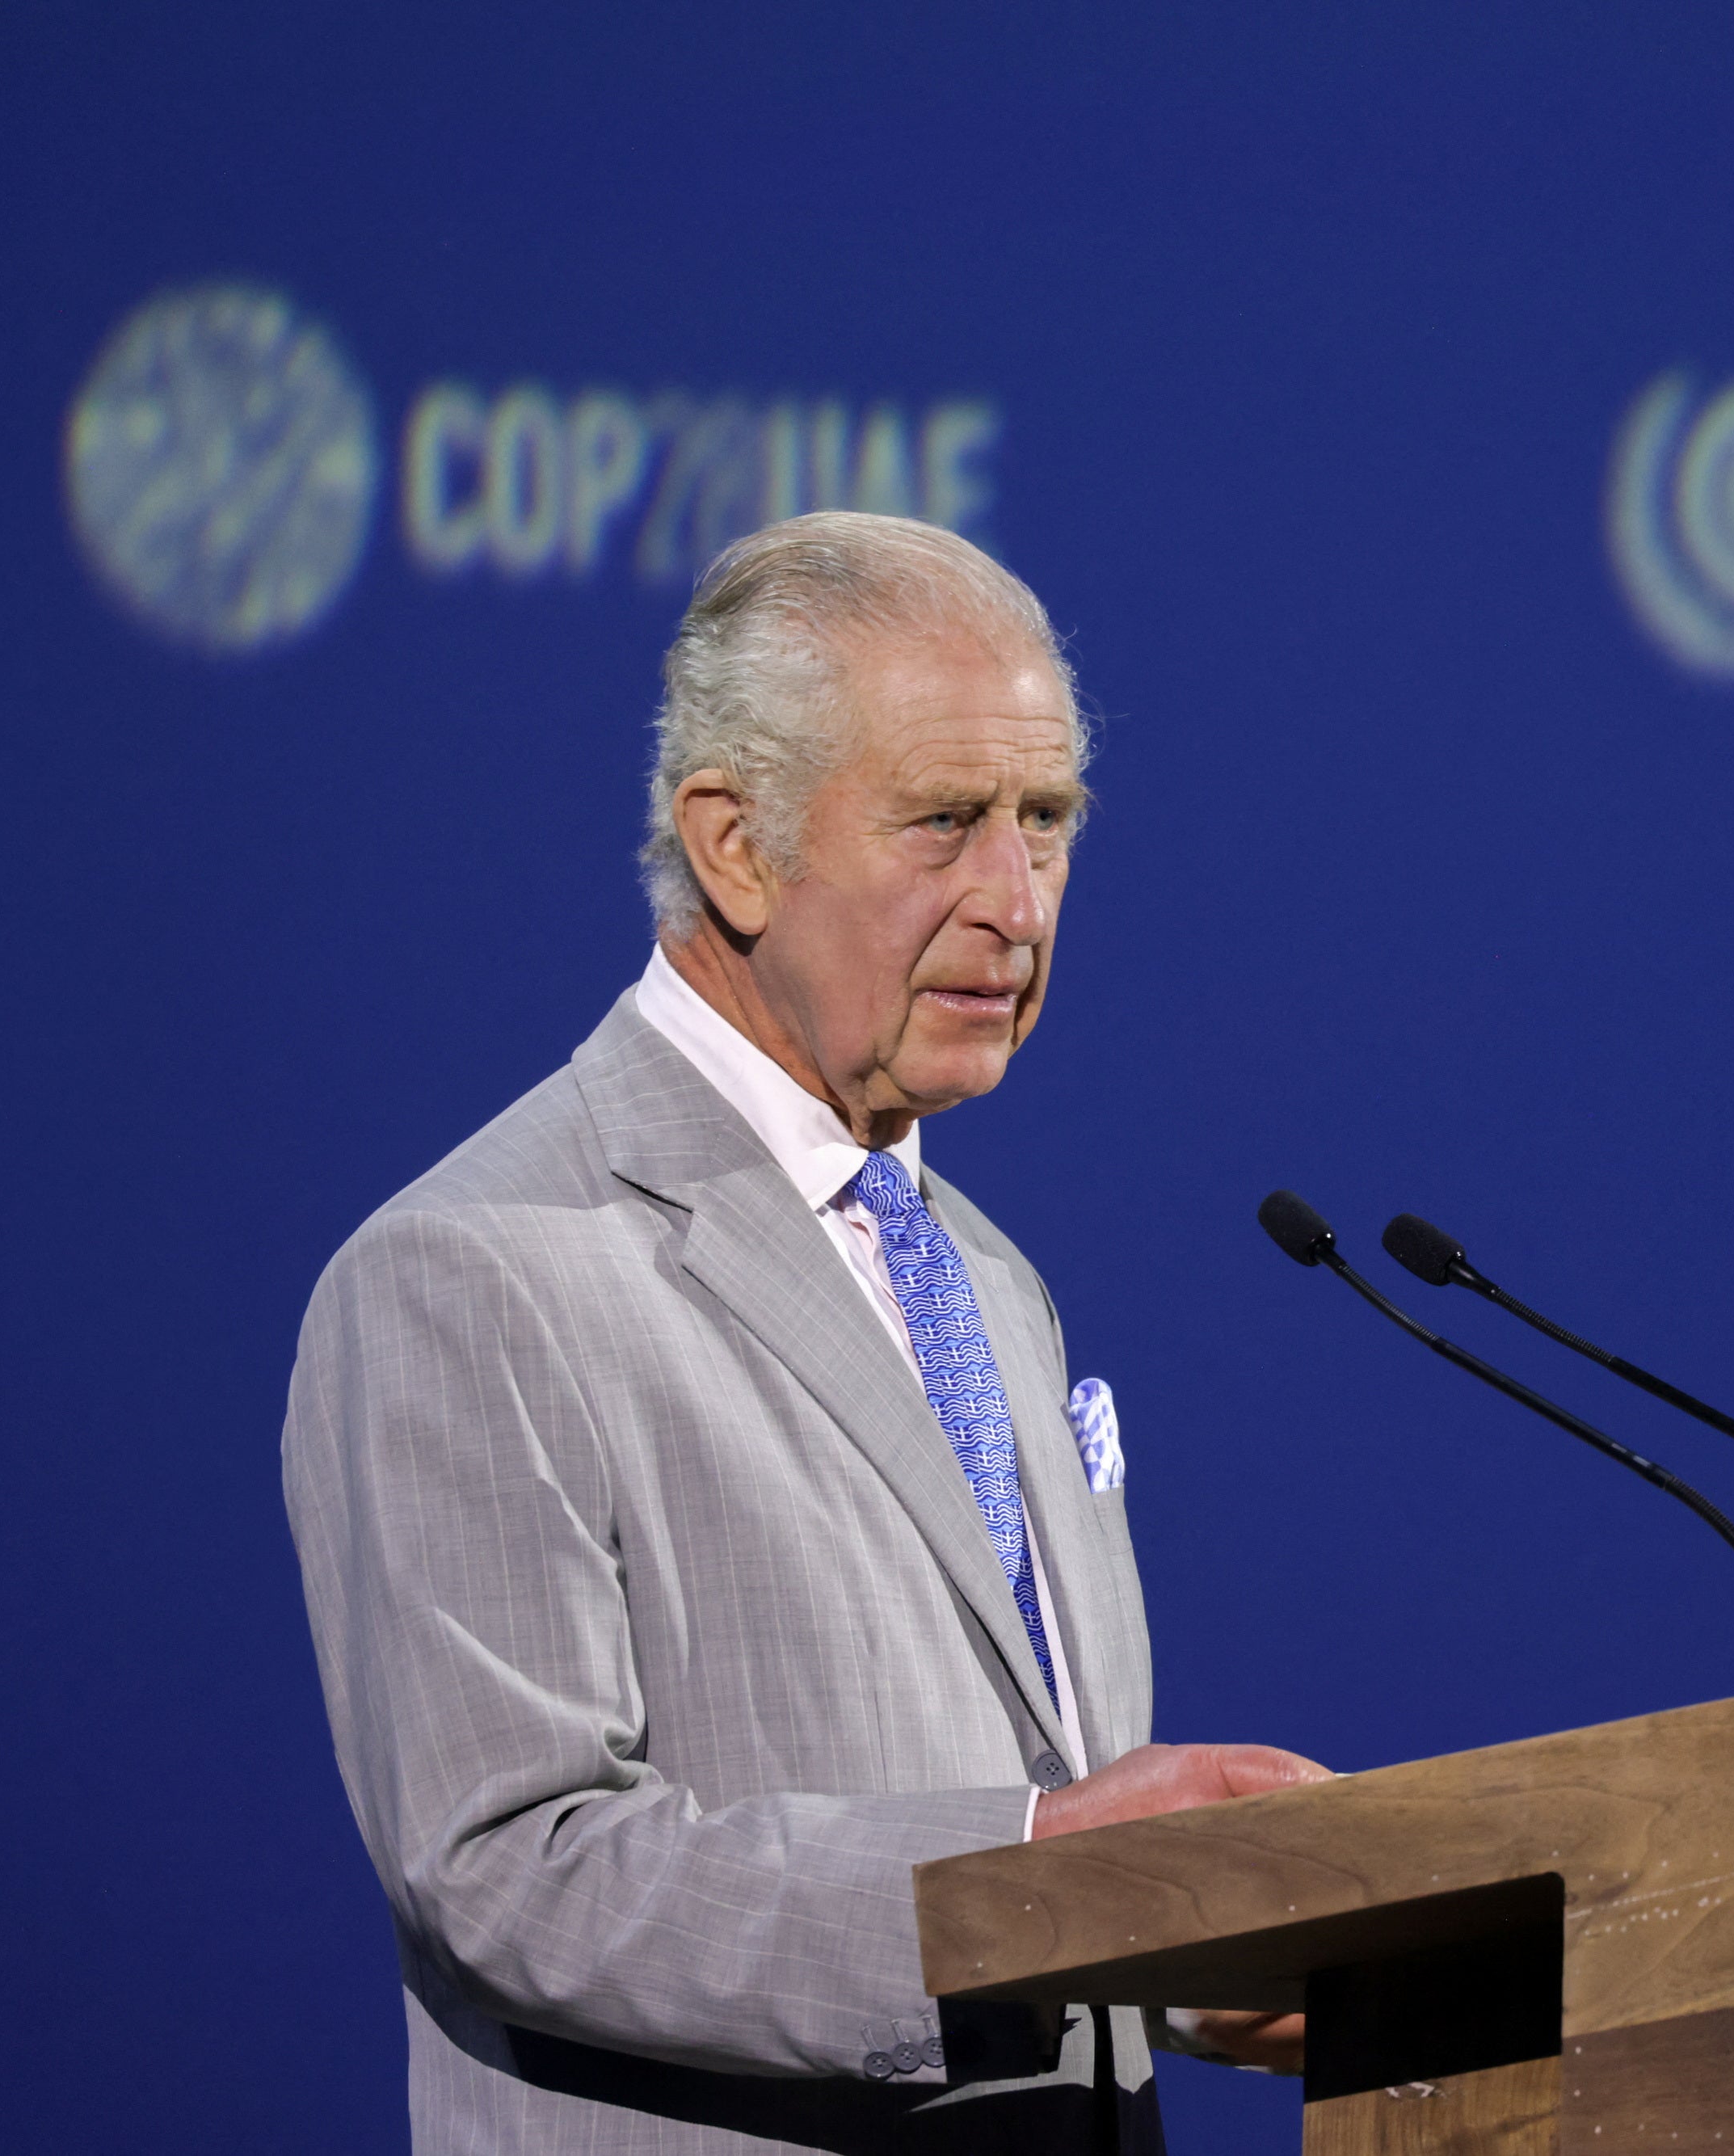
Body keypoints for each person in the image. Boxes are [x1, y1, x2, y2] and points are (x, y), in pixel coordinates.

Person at [283, 512, 1323, 2156]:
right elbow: (511, 1865)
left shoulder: (983, 1273)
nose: (1016, 899)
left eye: (1046, 822)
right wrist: (1033, 1883)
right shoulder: (474, 1268)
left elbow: (1021, 1805)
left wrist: (1189, 1942)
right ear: (735, 846)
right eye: (945, 822)